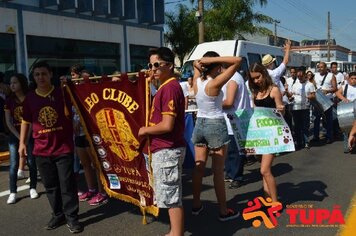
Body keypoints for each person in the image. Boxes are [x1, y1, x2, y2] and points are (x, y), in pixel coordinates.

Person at [18, 61, 83, 233]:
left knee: (67, 185)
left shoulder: (63, 92)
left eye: (44, 74)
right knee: (51, 186)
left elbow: (80, 100)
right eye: (37, 74)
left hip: (63, 148)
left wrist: (76, 120)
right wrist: (22, 143)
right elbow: (26, 121)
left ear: (50, 75)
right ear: (33, 77)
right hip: (41, 150)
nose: (41, 77)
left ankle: (72, 217)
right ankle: (57, 214)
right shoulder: (30, 98)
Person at [138, 47, 186, 236]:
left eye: (157, 65)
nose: (153, 69)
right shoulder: (165, 87)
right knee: (169, 193)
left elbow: (167, 125)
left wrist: (145, 130)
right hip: (165, 148)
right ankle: (175, 231)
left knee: (171, 196)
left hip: (167, 148)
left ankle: (176, 233)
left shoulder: (170, 88)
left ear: (169, 65)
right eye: (150, 65)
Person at [191, 52, 241, 222]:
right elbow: (237, 61)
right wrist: (214, 60)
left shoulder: (197, 81)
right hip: (215, 124)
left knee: (199, 168)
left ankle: (196, 205)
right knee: (218, 171)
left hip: (200, 123)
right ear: (217, 66)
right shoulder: (215, 83)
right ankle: (223, 210)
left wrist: (202, 63)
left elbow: (195, 65)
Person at [248, 62, 284, 204]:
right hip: (259, 134)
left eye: (258, 77)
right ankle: (267, 200)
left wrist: (281, 109)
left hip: (273, 134)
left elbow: (282, 112)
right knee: (264, 170)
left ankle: (275, 203)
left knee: (264, 170)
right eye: (253, 79)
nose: (256, 81)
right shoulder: (255, 92)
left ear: (263, 73)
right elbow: (255, 113)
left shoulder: (274, 90)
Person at [4, 73, 39, 204]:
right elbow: (8, 122)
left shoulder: (30, 98)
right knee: (13, 164)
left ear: (22, 84)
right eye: (11, 83)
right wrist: (20, 137)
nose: (12, 85)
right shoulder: (9, 101)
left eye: (15, 82)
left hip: (30, 134)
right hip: (14, 137)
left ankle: (33, 188)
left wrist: (26, 136)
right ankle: (13, 192)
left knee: (31, 162)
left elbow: (32, 120)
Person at [222, 70, 251, 189]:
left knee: (236, 150)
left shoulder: (233, 79)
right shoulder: (232, 77)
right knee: (230, 150)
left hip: (235, 120)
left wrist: (211, 103)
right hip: (232, 120)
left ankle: (237, 177)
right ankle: (230, 173)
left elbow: (229, 102)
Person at [289, 68, 316, 149]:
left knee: (305, 126)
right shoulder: (295, 84)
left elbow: (313, 95)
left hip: (305, 108)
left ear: (305, 75)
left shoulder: (310, 84)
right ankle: (299, 142)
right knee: (297, 126)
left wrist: (308, 96)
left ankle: (306, 141)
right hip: (296, 107)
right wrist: (289, 96)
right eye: (298, 76)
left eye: (301, 76)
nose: (299, 78)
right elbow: (291, 95)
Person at [311, 62, 337, 144]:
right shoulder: (316, 75)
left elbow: (335, 88)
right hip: (318, 101)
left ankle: (329, 136)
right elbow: (312, 86)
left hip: (328, 100)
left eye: (322, 67)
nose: (320, 69)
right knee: (316, 119)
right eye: (319, 67)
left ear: (326, 67)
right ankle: (316, 136)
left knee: (328, 119)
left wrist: (327, 91)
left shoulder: (331, 76)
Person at [335, 71, 356, 153]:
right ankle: (347, 147)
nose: (354, 80)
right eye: (352, 79)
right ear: (348, 79)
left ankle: (353, 145)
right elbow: (337, 93)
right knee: (346, 129)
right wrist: (344, 99)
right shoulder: (345, 86)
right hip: (348, 110)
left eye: (355, 79)